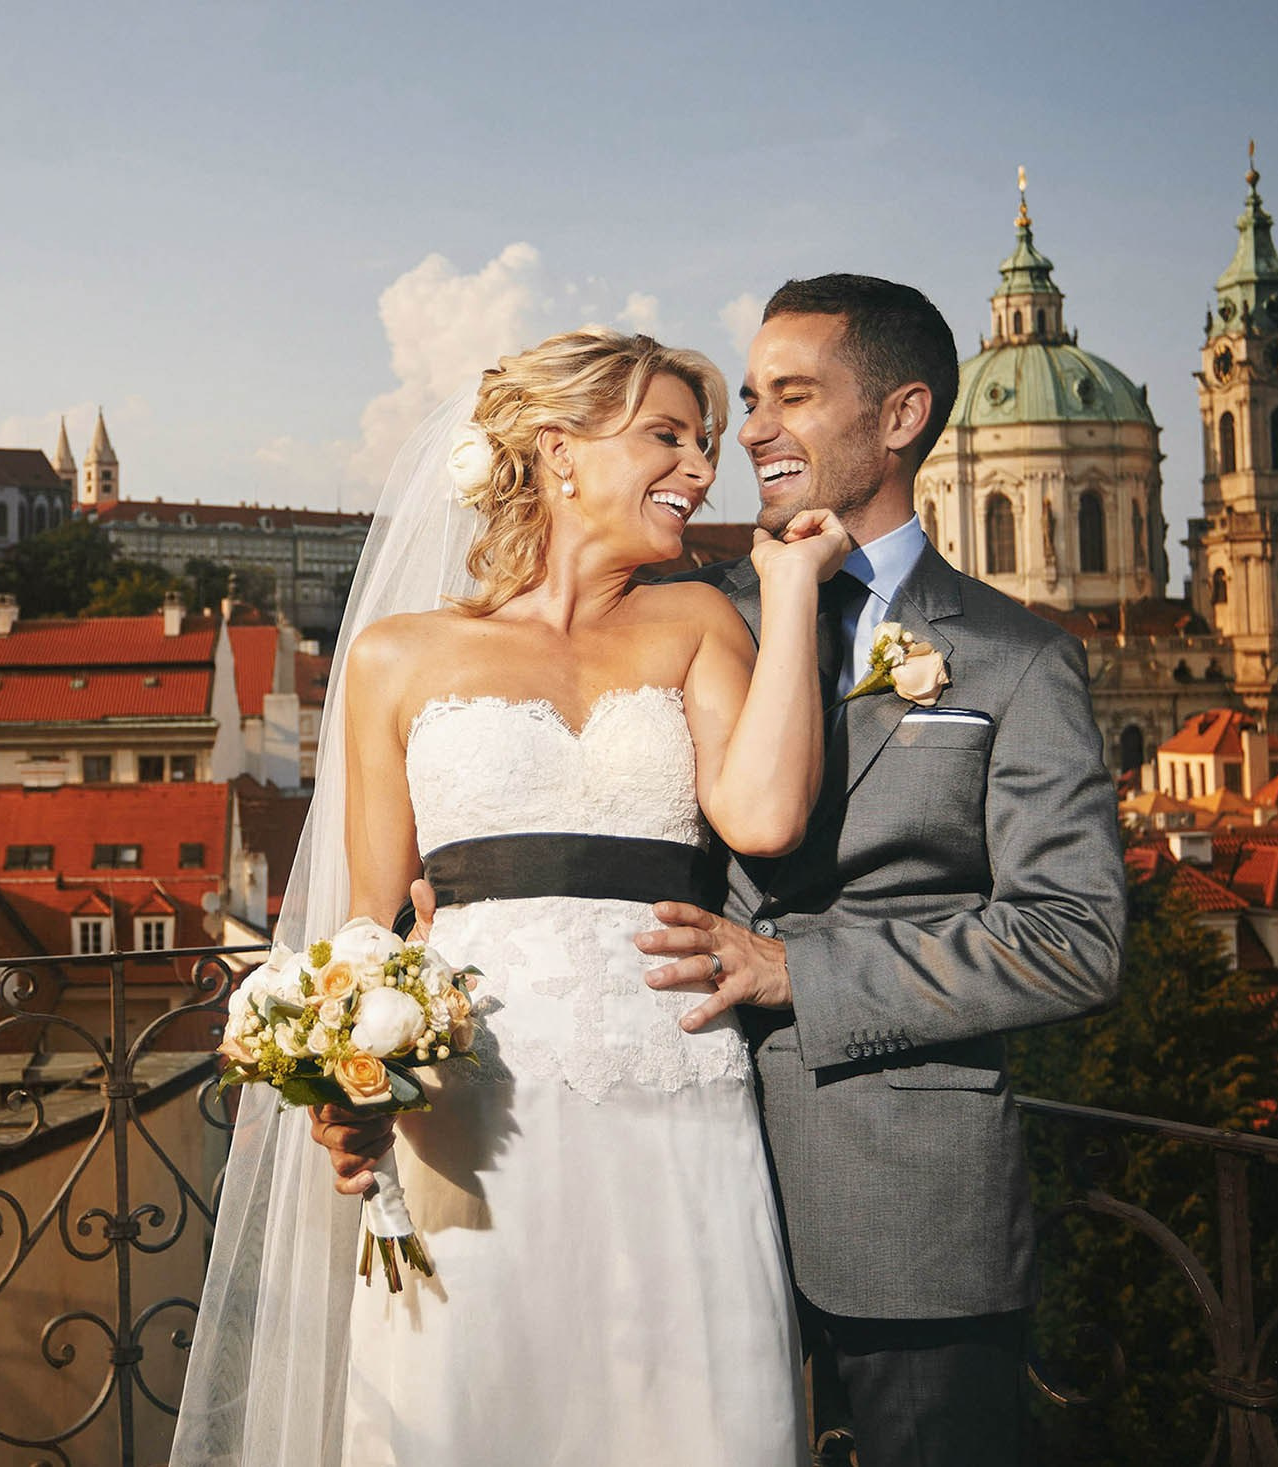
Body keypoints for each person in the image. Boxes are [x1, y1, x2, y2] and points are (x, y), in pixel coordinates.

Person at [172, 327, 851, 1466]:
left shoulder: (698, 622)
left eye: (706, 444)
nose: (701, 469)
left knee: (692, 1411)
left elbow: (766, 815)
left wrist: (788, 594)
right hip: (469, 1113)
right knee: (473, 1409)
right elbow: (363, 934)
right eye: (667, 437)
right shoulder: (395, 656)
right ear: (559, 450)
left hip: (672, 1088)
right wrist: (346, 1090)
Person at [636, 274, 1128, 1466]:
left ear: (901, 416)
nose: (751, 430)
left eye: (792, 396)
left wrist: (794, 971)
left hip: (909, 1214)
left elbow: (1072, 939)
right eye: (751, 398)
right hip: (674, 1185)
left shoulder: (1018, 658)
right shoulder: (690, 619)